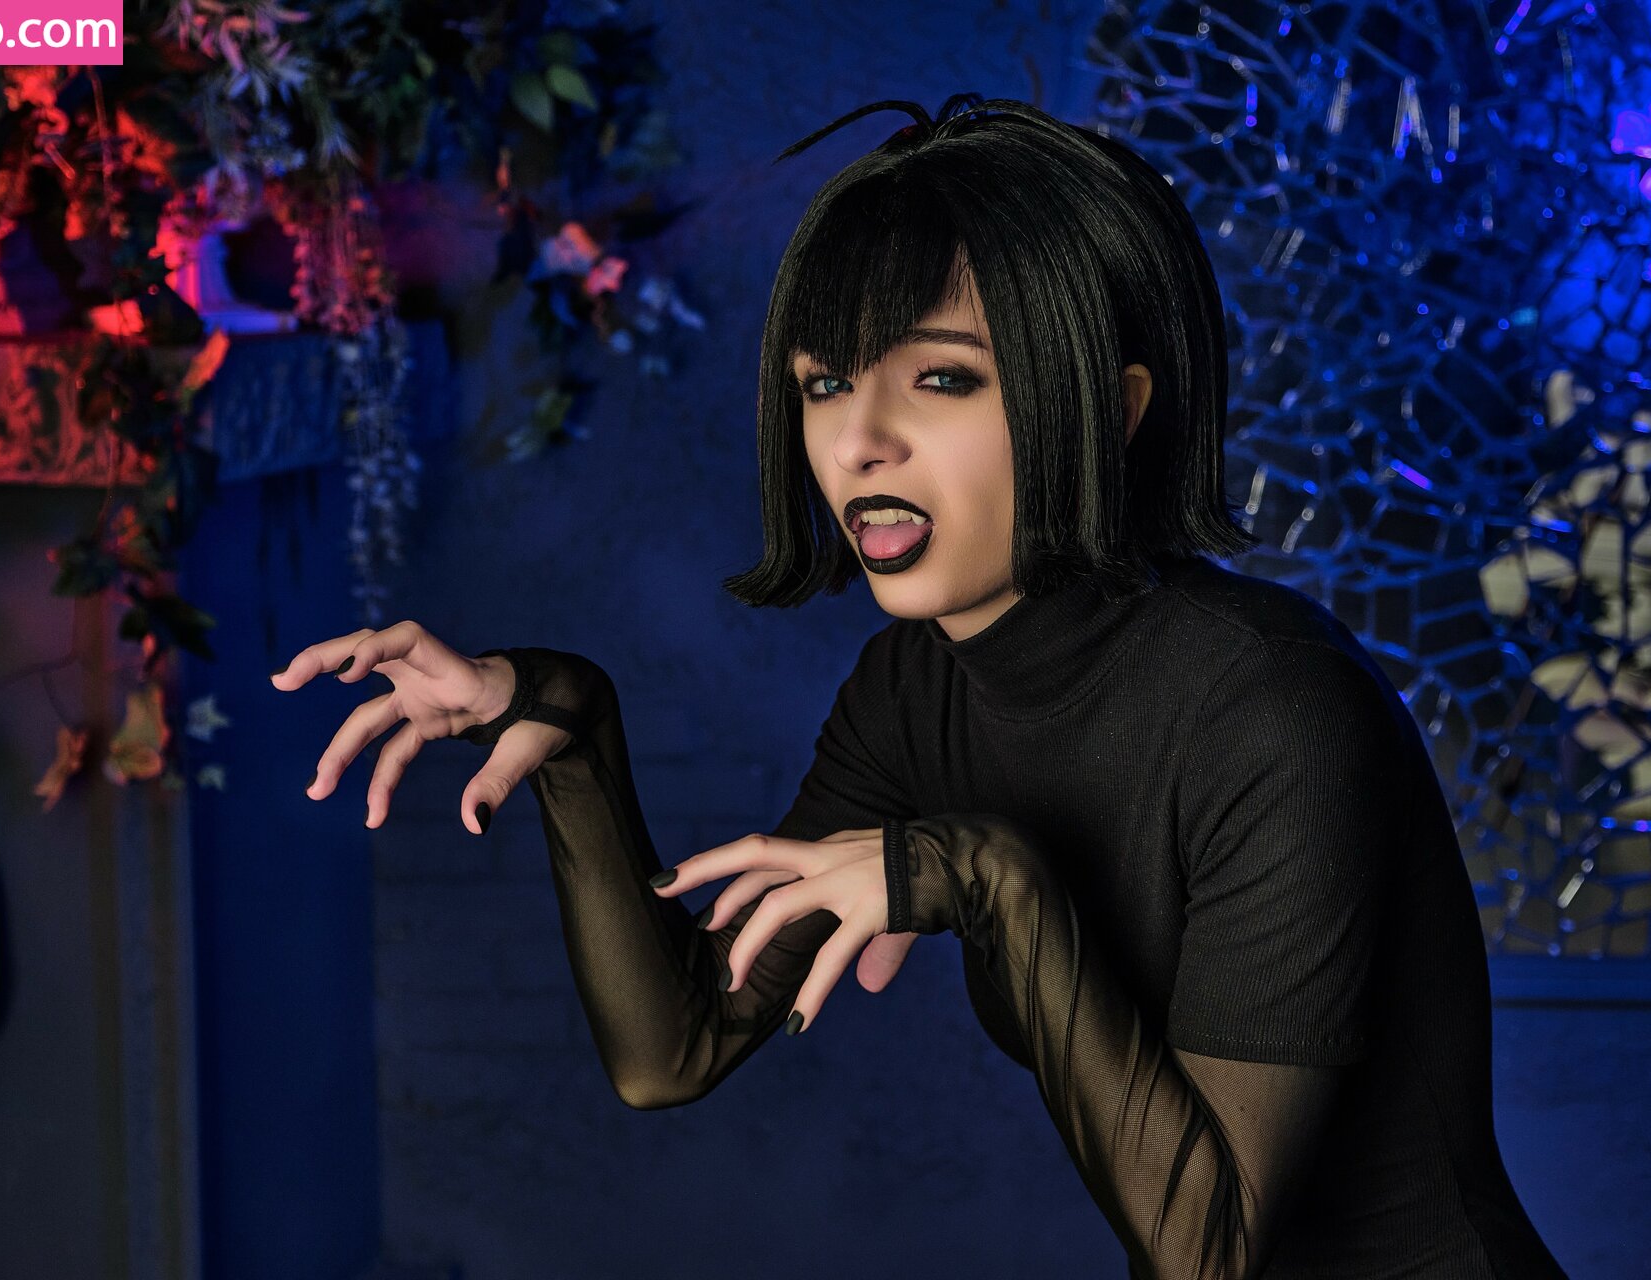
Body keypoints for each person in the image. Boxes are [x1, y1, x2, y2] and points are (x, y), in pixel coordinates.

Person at [274, 95, 1568, 1279]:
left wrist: (981, 873)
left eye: (941, 378)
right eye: (828, 383)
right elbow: (674, 1048)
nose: (858, 442)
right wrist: (570, 725)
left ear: (1112, 409)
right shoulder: (917, 684)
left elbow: (1209, 1254)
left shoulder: (1276, 714)